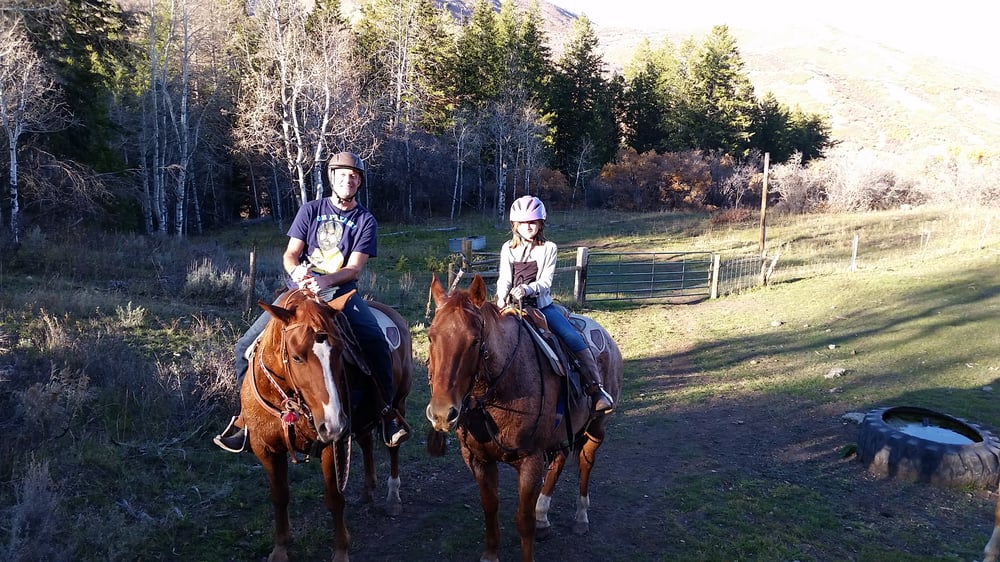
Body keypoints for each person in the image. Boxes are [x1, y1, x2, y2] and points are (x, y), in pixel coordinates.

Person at [214, 151, 411, 452]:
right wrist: (297, 272)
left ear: (359, 183)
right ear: (332, 178)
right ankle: (244, 418)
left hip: (340, 293)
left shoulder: (364, 220)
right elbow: (291, 253)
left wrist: (325, 281)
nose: (349, 180)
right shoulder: (310, 210)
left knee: (375, 342)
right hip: (298, 292)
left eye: (354, 176)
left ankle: (387, 413)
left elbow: (354, 267)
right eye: (343, 175)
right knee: (245, 346)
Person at [495, 195, 614, 412]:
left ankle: (596, 389)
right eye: (523, 223)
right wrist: (501, 298)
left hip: (541, 306)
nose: (528, 227)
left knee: (571, 336)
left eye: (533, 222)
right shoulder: (507, 249)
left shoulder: (548, 248)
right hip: (511, 306)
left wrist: (526, 289)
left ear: (541, 223)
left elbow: (545, 282)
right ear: (515, 225)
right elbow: (504, 277)